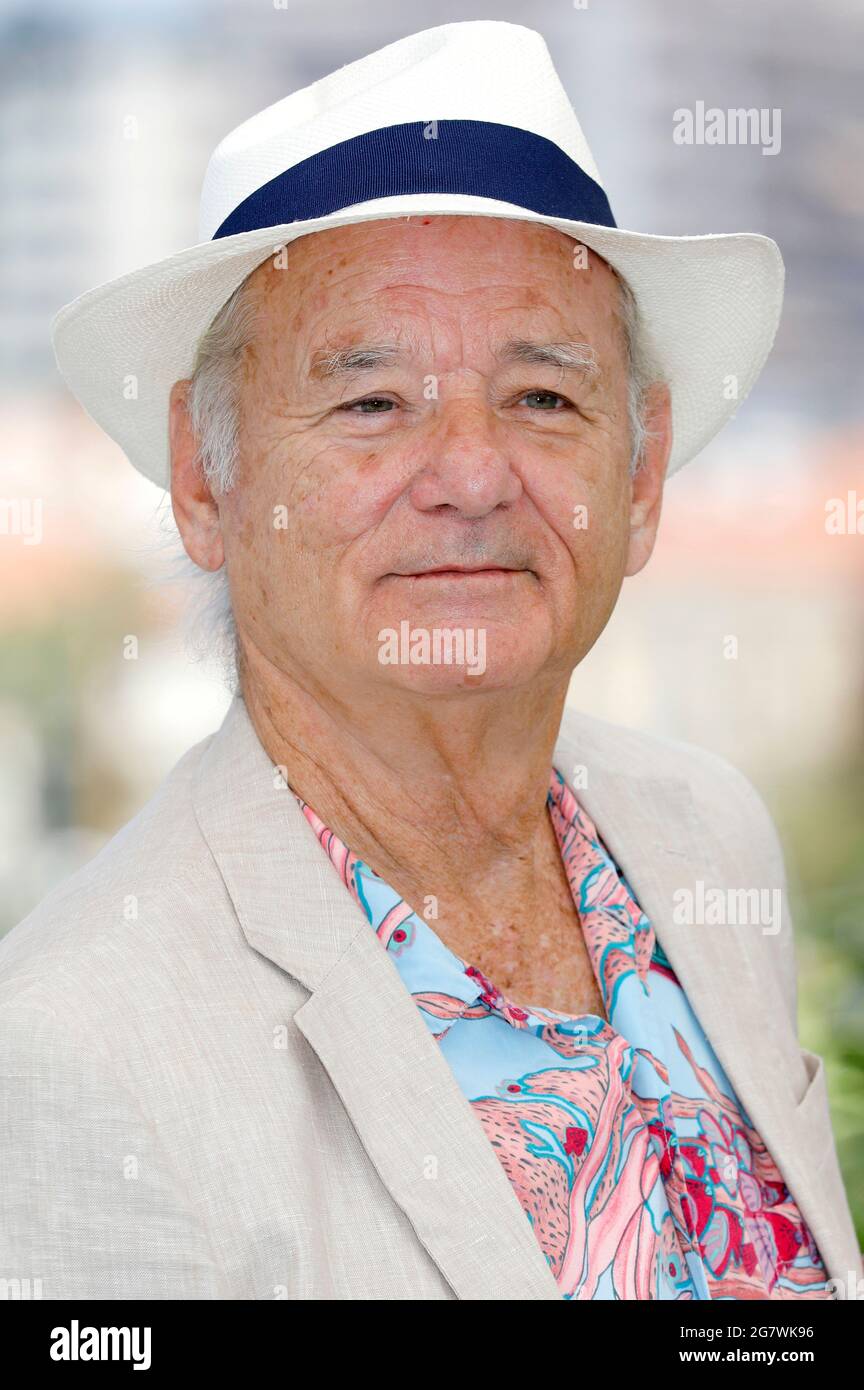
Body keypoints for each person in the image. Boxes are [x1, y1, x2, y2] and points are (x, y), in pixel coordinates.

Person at [1, 20, 859, 1300]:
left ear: (638, 474)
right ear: (203, 479)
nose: (469, 474)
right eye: (370, 402)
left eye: (544, 397)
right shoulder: (76, 1046)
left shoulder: (703, 836)